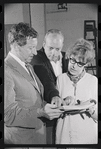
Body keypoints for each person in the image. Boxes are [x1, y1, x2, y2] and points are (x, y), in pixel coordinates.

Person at [4, 23, 63, 144]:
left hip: (36, 136)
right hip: (20, 140)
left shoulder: (28, 66)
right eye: (30, 48)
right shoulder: (6, 71)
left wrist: (54, 104)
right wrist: (41, 112)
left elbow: (35, 100)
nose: (35, 53)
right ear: (16, 46)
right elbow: (8, 115)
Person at [56, 38, 98, 144]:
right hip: (65, 132)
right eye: (72, 60)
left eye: (80, 63)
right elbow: (55, 109)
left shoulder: (93, 81)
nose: (74, 66)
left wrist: (91, 110)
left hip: (86, 134)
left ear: (86, 64)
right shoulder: (61, 79)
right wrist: (63, 102)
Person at [31, 29, 68, 144]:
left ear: (62, 46)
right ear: (43, 45)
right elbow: (46, 80)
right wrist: (55, 95)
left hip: (67, 112)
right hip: (48, 115)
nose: (54, 53)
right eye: (50, 48)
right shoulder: (36, 57)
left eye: (57, 49)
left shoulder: (67, 58)